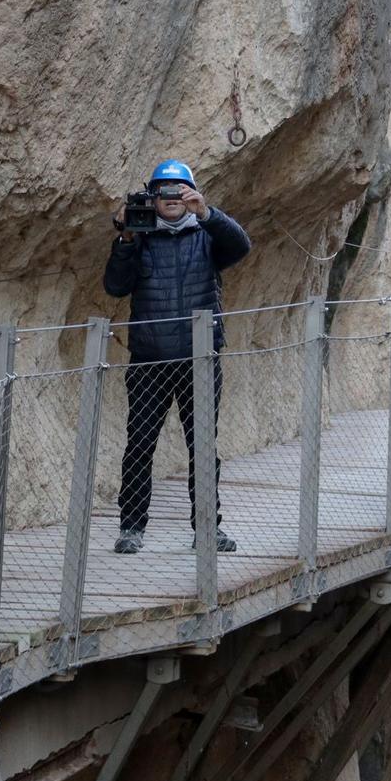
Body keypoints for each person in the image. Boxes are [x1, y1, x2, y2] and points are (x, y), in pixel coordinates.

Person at [103, 159, 252, 555]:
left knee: (203, 445)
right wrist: (126, 239)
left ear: (190, 194)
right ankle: (131, 527)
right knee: (140, 443)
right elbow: (115, 287)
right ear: (150, 197)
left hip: (200, 358)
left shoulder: (206, 235)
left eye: (178, 189)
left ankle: (208, 529)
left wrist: (207, 212)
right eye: (162, 190)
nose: (170, 198)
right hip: (149, 359)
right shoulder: (140, 238)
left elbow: (241, 246)